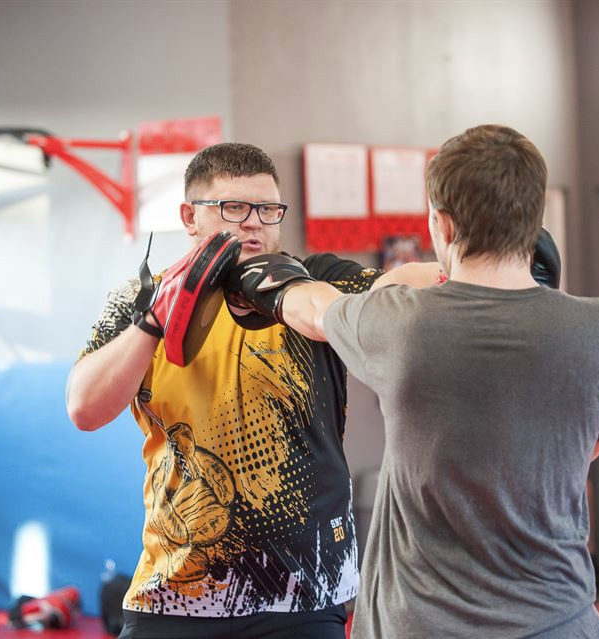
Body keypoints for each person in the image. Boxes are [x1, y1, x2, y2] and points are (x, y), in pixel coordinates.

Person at [226, 125, 599, 638]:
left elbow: (312, 309)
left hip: (422, 626)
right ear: (535, 222)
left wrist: (250, 273)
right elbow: (594, 440)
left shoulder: (405, 323)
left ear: (442, 226)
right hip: (562, 621)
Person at [65, 142, 447, 639]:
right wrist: (154, 322)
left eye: (267, 210)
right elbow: (84, 408)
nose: (254, 223)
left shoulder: (317, 279)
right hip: (177, 589)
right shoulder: (140, 298)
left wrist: (476, 270)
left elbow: (397, 283)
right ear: (190, 216)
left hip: (306, 591)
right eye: (234, 208)